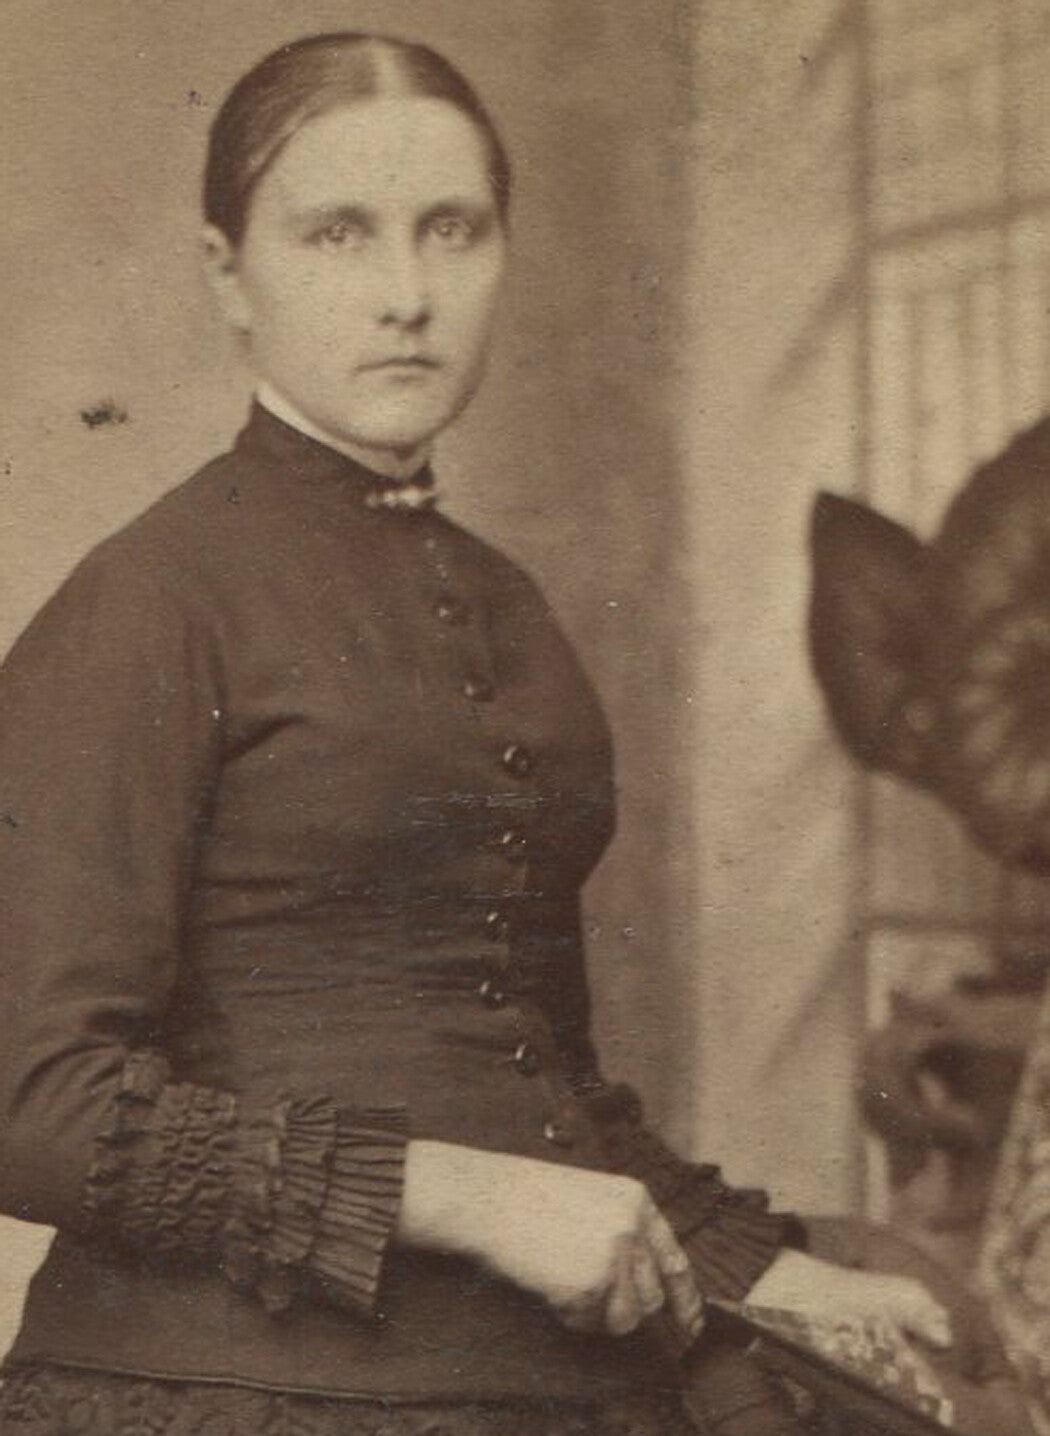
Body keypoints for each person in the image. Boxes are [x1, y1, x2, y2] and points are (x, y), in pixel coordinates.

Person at [0, 31, 951, 1436]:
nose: (405, 295)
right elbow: (34, 1099)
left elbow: (534, 1071)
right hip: (244, 1390)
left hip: (547, 1374)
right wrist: (467, 1196)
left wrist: (776, 1271)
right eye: (338, 233)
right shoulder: (149, 598)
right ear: (227, 276)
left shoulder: (512, 609)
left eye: (452, 230)